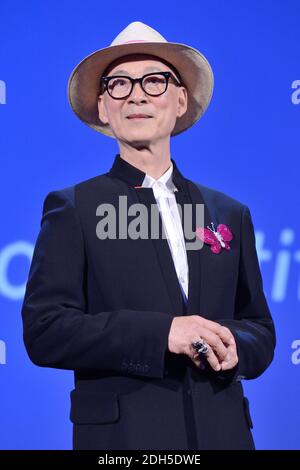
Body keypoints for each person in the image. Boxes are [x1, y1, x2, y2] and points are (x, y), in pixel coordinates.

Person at [21, 21, 276, 450]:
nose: (136, 95)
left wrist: (236, 346)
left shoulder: (228, 211)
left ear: (180, 100)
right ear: (103, 107)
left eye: (153, 81)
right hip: (125, 441)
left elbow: (260, 328)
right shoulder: (74, 208)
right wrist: (163, 334)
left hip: (224, 435)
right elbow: (45, 330)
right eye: (119, 84)